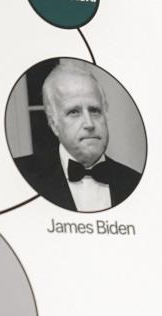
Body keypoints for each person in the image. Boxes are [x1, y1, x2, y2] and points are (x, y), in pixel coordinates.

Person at [14, 60, 141, 212]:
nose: (89, 124)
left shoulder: (134, 181)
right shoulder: (21, 176)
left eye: (94, 110)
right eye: (74, 112)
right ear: (54, 124)